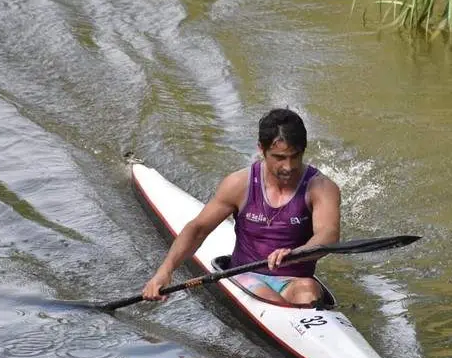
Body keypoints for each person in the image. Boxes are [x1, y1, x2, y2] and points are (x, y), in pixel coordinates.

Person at [141, 108, 341, 306]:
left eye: (295, 156)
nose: (288, 166)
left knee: (309, 293)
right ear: (261, 150)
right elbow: (198, 230)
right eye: (279, 157)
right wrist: (165, 271)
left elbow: (328, 235)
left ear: (303, 150)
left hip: (295, 280)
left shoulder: (322, 188)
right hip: (246, 275)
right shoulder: (239, 184)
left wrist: (296, 254)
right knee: (270, 299)